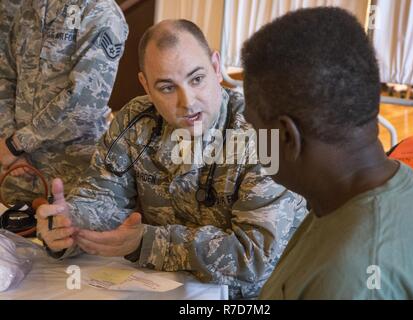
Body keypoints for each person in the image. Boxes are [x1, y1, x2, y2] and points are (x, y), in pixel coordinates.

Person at [36, 19, 307, 299]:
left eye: (197, 79)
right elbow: (103, 197)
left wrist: (147, 243)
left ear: (216, 67)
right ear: (146, 85)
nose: (187, 101)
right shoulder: (134, 122)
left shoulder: (262, 131)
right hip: (163, 288)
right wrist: (70, 223)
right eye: (167, 87)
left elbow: (254, 258)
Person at [241, 7, 413, 299]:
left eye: (253, 127)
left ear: (288, 137)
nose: (253, 142)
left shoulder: (353, 279)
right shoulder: (354, 195)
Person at [0, 0, 128, 203]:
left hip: (73, 180)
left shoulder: (99, 10)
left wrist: (16, 144)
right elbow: (5, 77)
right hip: (19, 174)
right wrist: (7, 140)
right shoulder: (26, 8)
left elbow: (85, 101)